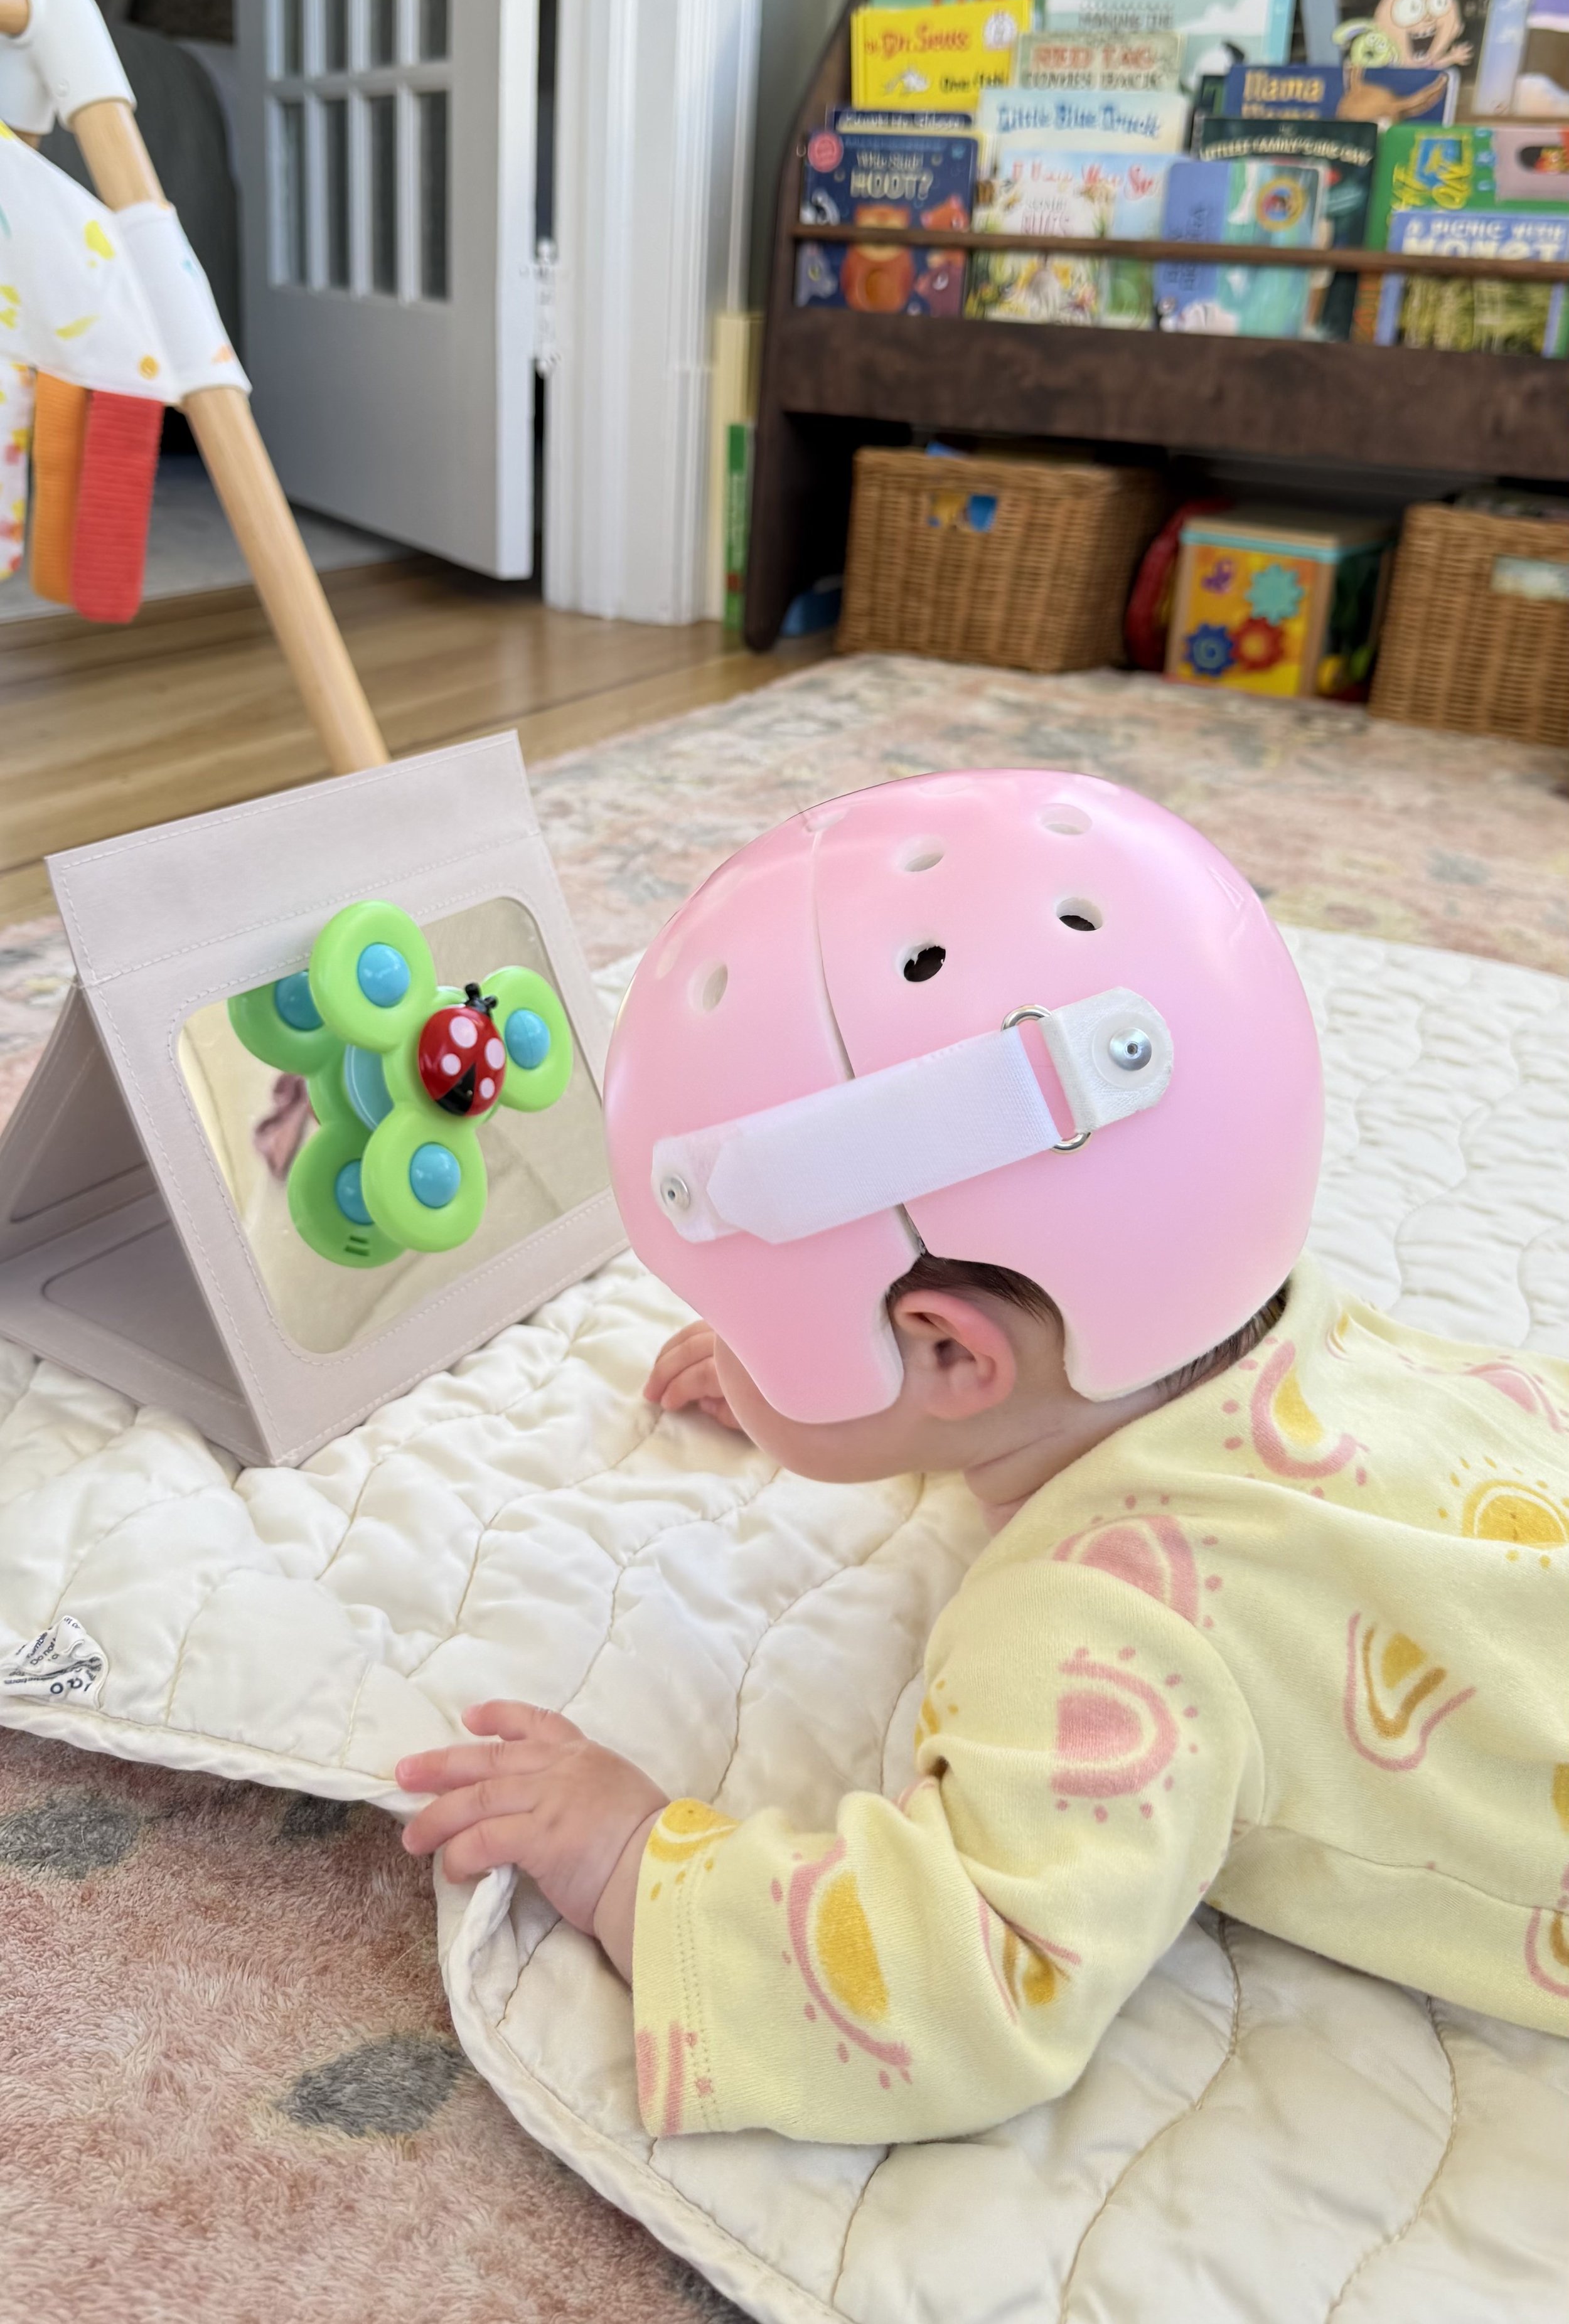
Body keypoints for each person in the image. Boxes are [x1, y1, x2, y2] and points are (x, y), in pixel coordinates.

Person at [395, 772, 1569, 2143]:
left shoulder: (1101, 1622)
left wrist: (620, 1853)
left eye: (743, 1307)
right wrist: (822, 1375)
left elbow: (959, 1980)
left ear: (947, 1355)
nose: (718, 1338)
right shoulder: (1330, 1340)